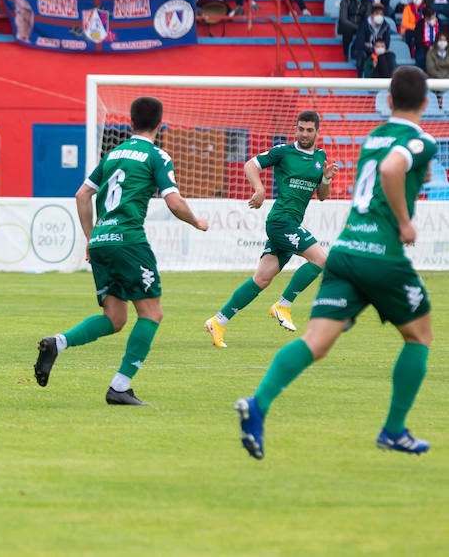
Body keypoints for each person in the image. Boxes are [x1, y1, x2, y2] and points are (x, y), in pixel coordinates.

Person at [238, 67, 435, 458]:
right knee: (420, 335)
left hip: (345, 252)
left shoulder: (375, 136)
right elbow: (393, 169)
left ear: (389, 101)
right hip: (382, 256)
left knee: (316, 342)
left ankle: (257, 405)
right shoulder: (421, 141)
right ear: (426, 104)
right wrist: (404, 222)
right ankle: (393, 430)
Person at [33, 96, 209, 405]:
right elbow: (173, 201)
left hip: (102, 241)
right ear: (159, 123)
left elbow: (82, 194)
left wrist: (90, 237)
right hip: (128, 240)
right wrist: (197, 222)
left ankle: (57, 344)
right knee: (152, 313)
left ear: (130, 122)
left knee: (115, 318)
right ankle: (120, 386)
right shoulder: (156, 155)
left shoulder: (112, 154)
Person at [205, 112, 338, 346]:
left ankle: (218, 321)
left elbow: (323, 197)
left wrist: (326, 179)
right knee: (321, 260)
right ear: (295, 129)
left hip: (291, 224)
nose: (304, 134)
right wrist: (259, 189)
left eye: (309, 130)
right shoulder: (283, 152)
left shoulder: (320, 157)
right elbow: (250, 165)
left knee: (262, 279)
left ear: (317, 132)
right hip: (280, 221)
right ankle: (283, 305)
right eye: (300, 129)